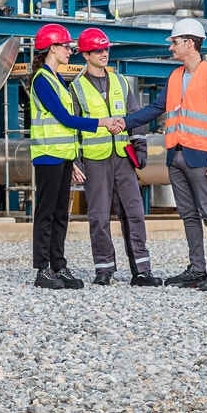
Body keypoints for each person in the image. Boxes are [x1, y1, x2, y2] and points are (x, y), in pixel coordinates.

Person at [123, 17, 207, 291]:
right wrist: (123, 122)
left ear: (190, 43)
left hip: (202, 157)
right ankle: (197, 269)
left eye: (175, 42)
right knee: (189, 216)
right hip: (176, 157)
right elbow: (155, 109)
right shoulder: (174, 77)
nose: (171, 47)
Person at [26, 22, 124, 290]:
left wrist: (74, 158)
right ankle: (42, 269)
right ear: (52, 48)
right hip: (48, 155)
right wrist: (102, 122)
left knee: (60, 214)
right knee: (46, 213)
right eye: (66, 47)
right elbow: (66, 119)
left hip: (64, 156)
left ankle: (59, 265)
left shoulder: (57, 79)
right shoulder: (42, 80)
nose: (70, 51)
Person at [67, 27, 159, 286]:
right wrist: (75, 160)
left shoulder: (121, 82)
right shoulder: (76, 88)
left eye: (105, 49)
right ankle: (104, 268)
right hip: (94, 160)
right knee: (98, 216)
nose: (104, 53)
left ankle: (142, 270)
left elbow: (134, 116)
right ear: (86, 55)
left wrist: (140, 146)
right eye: (97, 50)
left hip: (122, 157)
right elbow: (72, 127)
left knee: (134, 213)